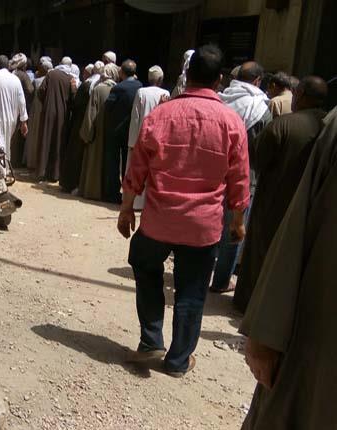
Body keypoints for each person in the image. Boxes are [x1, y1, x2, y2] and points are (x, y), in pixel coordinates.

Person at [118, 45, 249, 377]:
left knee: (143, 262)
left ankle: (151, 341)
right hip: (203, 227)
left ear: (187, 75)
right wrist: (237, 221)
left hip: (158, 221)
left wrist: (126, 209)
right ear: (219, 81)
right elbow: (239, 178)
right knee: (191, 290)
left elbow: (137, 168)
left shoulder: (161, 115)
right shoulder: (232, 123)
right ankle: (178, 360)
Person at [240, 105, 337, 429]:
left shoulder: (283, 125)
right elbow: (295, 234)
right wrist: (266, 332)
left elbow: (256, 159)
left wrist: (265, 331)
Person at [233, 76, 327, 313]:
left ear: (301, 94)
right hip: (312, 207)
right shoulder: (328, 127)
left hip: (273, 203)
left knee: (260, 253)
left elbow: (256, 160)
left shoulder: (282, 125)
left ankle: (248, 304)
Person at [211, 61, 272, 293]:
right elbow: (262, 150)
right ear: (257, 81)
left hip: (213, 175)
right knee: (234, 230)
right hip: (245, 179)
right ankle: (221, 281)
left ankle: (200, 273)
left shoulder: (220, 99)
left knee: (210, 226)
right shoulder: (260, 109)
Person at [103, 59, 142, 203]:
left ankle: (113, 193)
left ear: (121, 72)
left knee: (113, 162)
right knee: (128, 162)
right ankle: (128, 192)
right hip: (131, 130)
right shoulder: (140, 86)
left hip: (116, 130)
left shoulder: (118, 88)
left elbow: (108, 107)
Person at [78, 63, 120, 200]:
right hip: (112, 133)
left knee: (95, 162)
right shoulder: (118, 89)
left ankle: (93, 191)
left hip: (97, 133)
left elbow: (90, 114)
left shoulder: (98, 89)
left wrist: (87, 134)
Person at [35, 59, 76, 181]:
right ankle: (55, 174)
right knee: (58, 142)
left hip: (48, 112)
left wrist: (46, 103)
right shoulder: (70, 79)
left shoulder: (51, 74)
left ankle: (41, 172)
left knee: (45, 140)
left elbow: (41, 91)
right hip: (62, 115)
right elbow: (73, 99)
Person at [59, 64, 93, 192]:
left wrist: (73, 91)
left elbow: (76, 104)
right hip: (86, 125)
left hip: (78, 124)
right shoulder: (92, 85)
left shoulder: (85, 86)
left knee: (74, 155)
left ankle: (70, 184)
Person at [128, 66, 170, 148]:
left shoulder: (141, 92)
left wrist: (132, 144)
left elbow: (135, 117)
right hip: (158, 138)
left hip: (142, 138)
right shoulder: (166, 93)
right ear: (160, 79)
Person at [24, 59, 53, 169]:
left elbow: (30, 96)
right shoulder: (51, 82)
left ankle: (32, 161)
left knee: (34, 136)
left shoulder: (36, 81)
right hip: (44, 111)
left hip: (36, 111)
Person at [10, 53, 35, 167]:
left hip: (11, 107)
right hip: (21, 108)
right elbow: (30, 90)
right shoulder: (23, 76)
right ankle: (15, 161)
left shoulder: (11, 73)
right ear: (23, 65)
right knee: (18, 135)